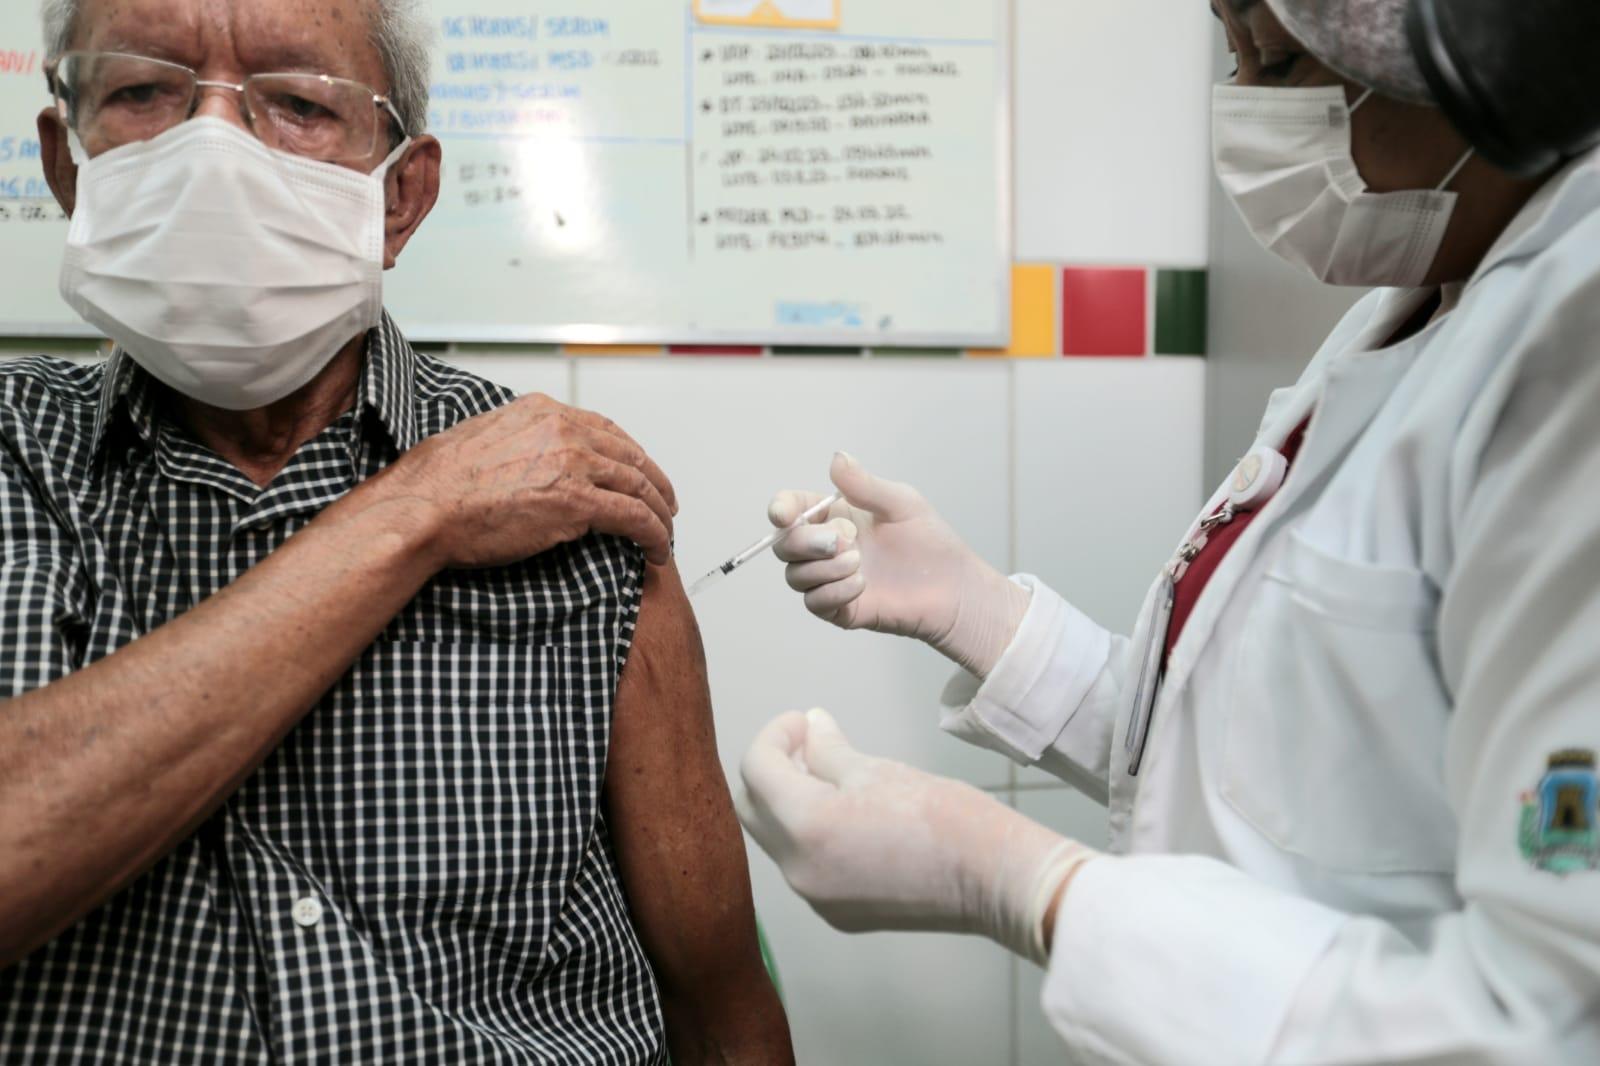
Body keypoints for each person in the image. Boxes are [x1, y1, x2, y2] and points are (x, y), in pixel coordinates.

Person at [736, 0, 1600, 1060]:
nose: (1240, 108)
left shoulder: (1572, 349)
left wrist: (1022, 881)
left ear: (1484, 51)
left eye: (1274, 59)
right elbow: (1255, 761)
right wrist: (976, 611)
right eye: (1232, 56)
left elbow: (1545, 1024)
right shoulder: (1415, 306)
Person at [0, 1, 792, 1063]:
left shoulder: (564, 493)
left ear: (400, 194)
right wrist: (414, 513)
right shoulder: (16, 458)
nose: (213, 154)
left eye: (297, 103)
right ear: (67, 162)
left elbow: (720, 1001)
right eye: (143, 90)